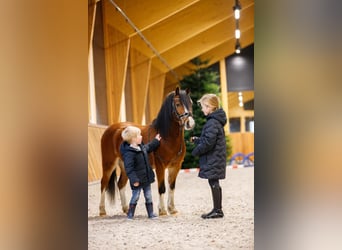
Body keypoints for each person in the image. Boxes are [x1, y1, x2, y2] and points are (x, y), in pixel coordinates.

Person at [190, 94, 227, 219]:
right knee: (214, 182)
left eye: (203, 107)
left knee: (214, 182)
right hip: (215, 157)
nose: (201, 109)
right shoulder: (215, 121)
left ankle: (217, 210)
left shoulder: (212, 122)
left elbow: (208, 143)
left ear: (210, 107)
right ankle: (217, 209)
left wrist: (196, 151)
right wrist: (197, 140)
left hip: (213, 158)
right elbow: (208, 139)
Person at [120, 126, 161, 219]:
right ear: (133, 139)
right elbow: (129, 168)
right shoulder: (129, 154)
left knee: (149, 196)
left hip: (146, 178)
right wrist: (134, 179)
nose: (141, 136)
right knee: (135, 197)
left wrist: (156, 140)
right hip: (137, 180)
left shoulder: (141, 147)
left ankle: (151, 213)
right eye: (139, 135)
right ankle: (130, 213)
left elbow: (149, 147)